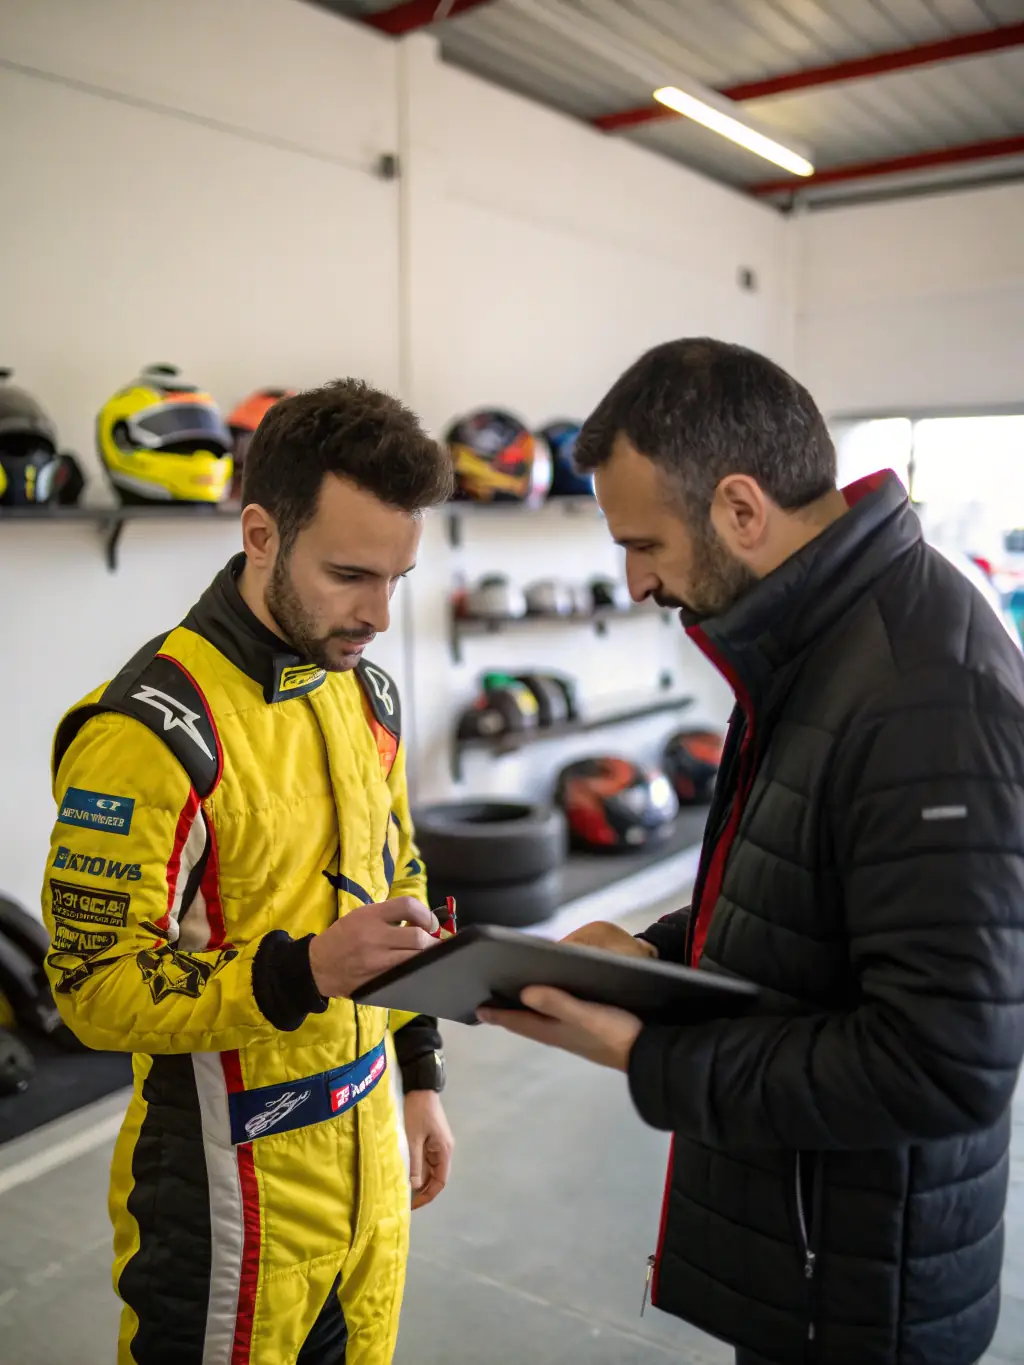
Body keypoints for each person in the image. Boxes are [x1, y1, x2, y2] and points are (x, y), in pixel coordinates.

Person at [481, 339, 1024, 1365]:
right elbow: (801, 889)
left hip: (864, 1300)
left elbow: (945, 1063)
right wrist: (649, 956)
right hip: (814, 1261)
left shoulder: (923, 690)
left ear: (739, 508)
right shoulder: (816, 643)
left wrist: (650, 1054)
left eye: (643, 543)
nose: (634, 581)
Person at [40, 379, 455, 1365]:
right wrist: (302, 970)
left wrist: (421, 1076)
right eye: (351, 574)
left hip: (371, 1174)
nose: (379, 615)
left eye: (397, 578)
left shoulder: (369, 694)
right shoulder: (146, 730)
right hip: (225, 1203)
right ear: (261, 533)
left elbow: (401, 880)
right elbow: (93, 991)